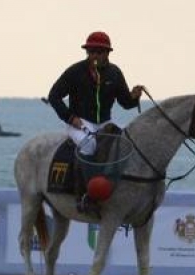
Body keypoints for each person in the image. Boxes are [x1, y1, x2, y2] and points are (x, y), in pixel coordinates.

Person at [47, 31, 144, 212]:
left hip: (104, 123)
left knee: (125, 143)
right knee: (89, 145)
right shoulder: (75, 71)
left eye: (99, 52)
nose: (95, 56)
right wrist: (70, 117)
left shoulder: (115, 73)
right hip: (80, 122)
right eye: (91, 52)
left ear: (108, 53)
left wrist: (134, 96)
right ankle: (86, 196)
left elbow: (125, 102)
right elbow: (53, 96)